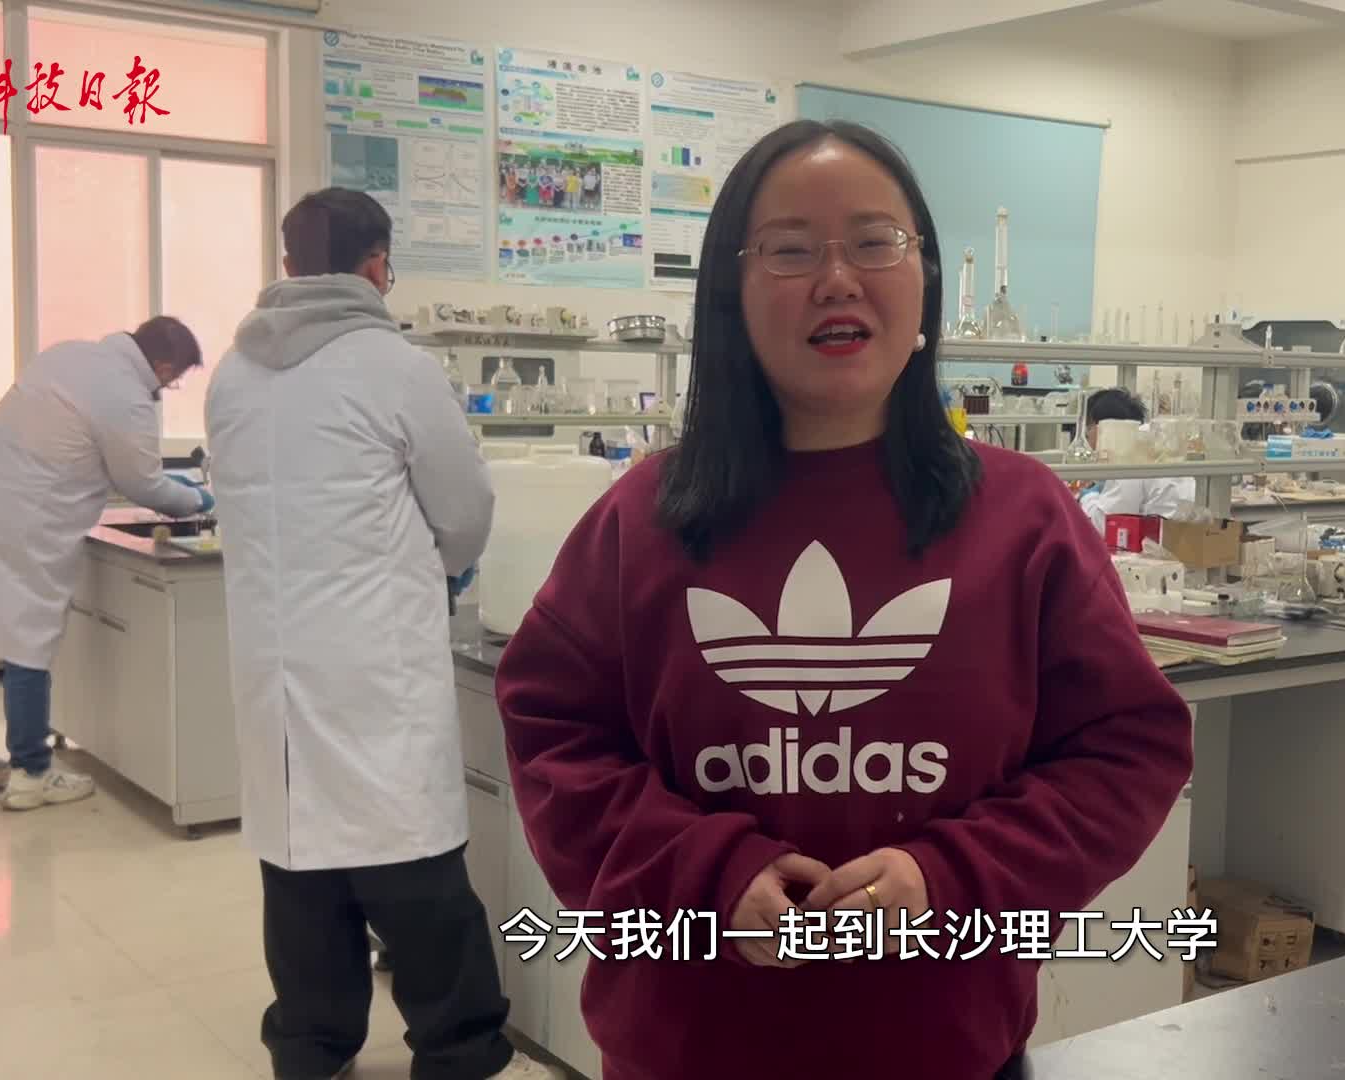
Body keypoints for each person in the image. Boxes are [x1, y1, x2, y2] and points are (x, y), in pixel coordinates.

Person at [494, 120, 1194, 1080]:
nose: (837, 279)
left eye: (874, 242)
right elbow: (553, 737)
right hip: (690, 1053)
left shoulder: (1024, 519)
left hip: (945, 1052)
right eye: (790, 250)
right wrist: (705, 875)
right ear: (732, 296)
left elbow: (1128, 749)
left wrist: (948, 880)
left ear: (926, 279)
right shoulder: (642, 521)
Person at [205, 187, 548, 1080]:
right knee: (415, 870)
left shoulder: (233, 373)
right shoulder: (393, 366)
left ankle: (311, 1047)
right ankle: (459, 1050)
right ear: (378, 264)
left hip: (274, 665)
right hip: (375, 662)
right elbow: (465, 509)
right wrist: (444, 569)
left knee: (301, 865)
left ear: (288, 267)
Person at [0, 315, 212, 810]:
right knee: (28, 641)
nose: (167, 388)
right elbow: (142, 483)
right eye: (173, 380)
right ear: (163, 366)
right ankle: (31, 773)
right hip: (25, 523)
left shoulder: (66, 354)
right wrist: (199, 500)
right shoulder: (128, 397)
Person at [1075, 386, 1210, 533]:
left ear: (1100, 427)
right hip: (1191, 533)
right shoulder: (1152, 440)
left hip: (1165, 537)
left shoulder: (1129, 450)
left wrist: (1087, 496)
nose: (1088, 440)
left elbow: (1107, 524)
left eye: (1088, 430)